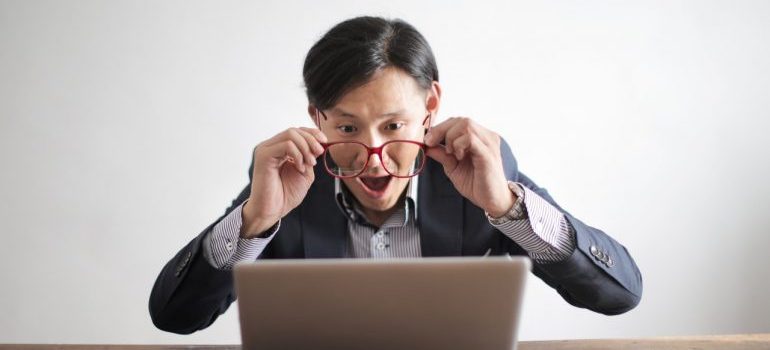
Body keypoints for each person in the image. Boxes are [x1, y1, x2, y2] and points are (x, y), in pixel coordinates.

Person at [149, 16, 642, 334]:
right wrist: (255, 220)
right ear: (316, 118)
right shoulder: (289, 181)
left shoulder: (479, 171)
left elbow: (619, 295)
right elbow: (175, 317)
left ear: (430, 108)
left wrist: (506, 208)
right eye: (347, 127)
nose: (373, 154)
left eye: (393, 126)